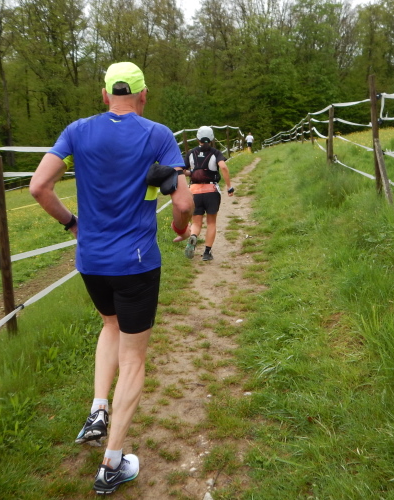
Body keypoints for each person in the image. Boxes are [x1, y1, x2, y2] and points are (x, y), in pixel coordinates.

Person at [29, 61, 193, 495]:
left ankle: (98, 408)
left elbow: (39, 186)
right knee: (134, 359)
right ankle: (112, 464)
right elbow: (183, 204)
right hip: (136, 263)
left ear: (104, 95)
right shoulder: (158, 135)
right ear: (143, 96)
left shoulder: (76, 131)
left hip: (91, 260)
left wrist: (72, 224)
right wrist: (179, 228)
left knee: (110, 324)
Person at [182, 126, 233, 261]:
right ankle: (207, 252)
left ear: (197, 138)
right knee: (211, 223)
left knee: (196, 222)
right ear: (212, 139)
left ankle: (193, 236)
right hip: (211, 191)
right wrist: (229, 187)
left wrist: (192, 173)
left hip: (194, 191)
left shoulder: (191, 153)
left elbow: (183, 170)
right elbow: (223, 167)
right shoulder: (216, 153)